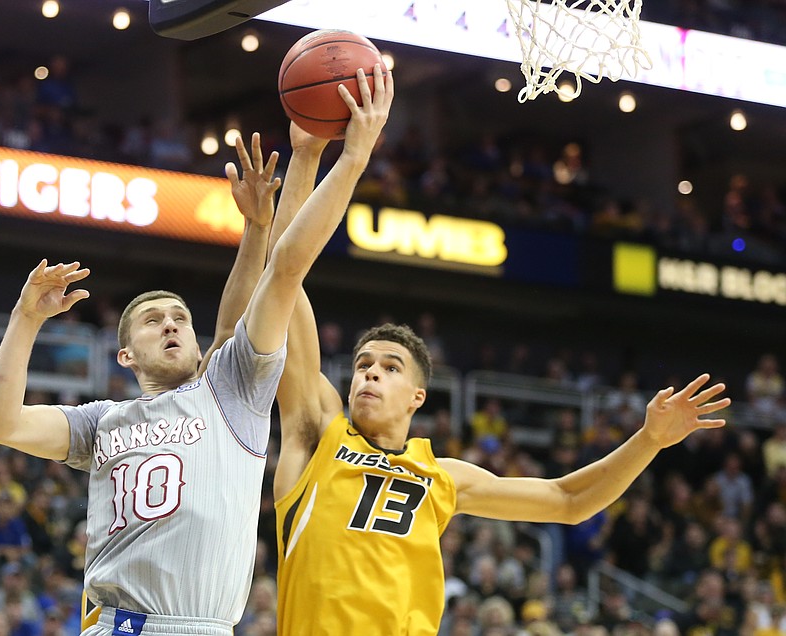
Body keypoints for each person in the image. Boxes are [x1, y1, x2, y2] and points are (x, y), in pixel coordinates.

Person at [205, 109, 730, 636]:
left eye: (389, 368)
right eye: (363, 365)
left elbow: (569, 501)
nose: (369, 375)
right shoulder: (318, 433)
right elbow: (285, 276)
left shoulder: (444, 475)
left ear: (417, 396)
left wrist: (649, 439)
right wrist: (308, 154)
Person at [0, 65, 392, 636]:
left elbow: (284, 269)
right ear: (125, 355)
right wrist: (25, 320)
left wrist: (334, 161)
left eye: (180, 318)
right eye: (153, 321)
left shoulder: (231, 391)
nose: (172, 325)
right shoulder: (101, 423)